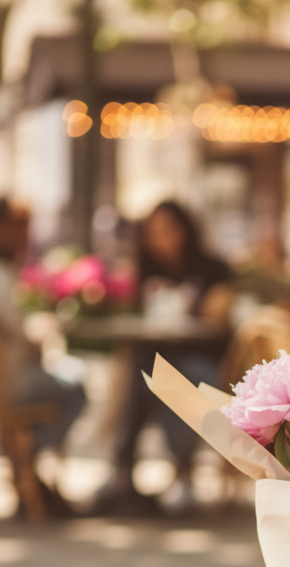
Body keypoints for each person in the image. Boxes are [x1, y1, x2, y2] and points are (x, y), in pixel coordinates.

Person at [103, 201, 233, 514]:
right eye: (153, 232)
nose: (160, 239)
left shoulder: (211, 268)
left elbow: (220, 316)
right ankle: (124, 467)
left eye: (167, 230)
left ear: (185, 230)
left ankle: (181, 468)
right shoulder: (148, 270)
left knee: (174, 378)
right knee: (140, 373)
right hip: (157, 356)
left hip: (208, 359)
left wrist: (189, 305)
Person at [0, 199, 86, 513]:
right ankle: (25, 458)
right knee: (76, 384)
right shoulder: (2, 275)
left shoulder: (11, 271)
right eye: (20, 227)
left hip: (14, 378)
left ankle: (24, 462)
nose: (26, 234)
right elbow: (22, 336)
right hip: (11, 382)